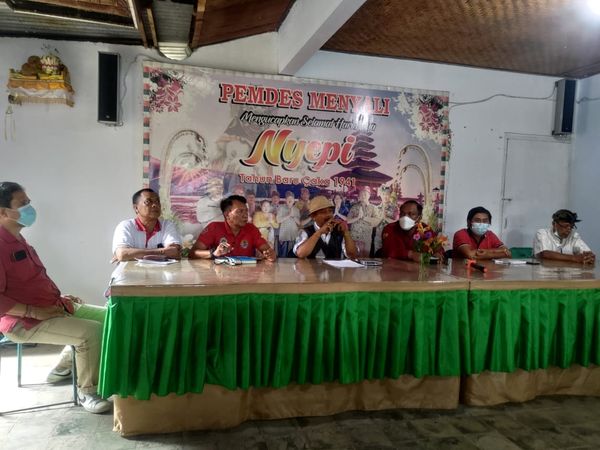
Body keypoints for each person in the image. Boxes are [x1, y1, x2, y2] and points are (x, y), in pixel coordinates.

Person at [0, 182, 111, 414]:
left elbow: (29, 281)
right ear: (3, 212)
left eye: (29, 202)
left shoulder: (19, 239)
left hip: (53, 306)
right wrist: (34, 311)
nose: (30, 207)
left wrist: (57, 297)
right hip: (24, 321)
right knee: (92, 332)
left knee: (112, 317)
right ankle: (88, 391)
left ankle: (64, 365)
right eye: (22, 203)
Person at [189, 195, 276, 261]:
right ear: (227, 214)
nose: (245, 215)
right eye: (240, 211)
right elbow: (193, 253)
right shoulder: (214, 227)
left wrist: (270, 254)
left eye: (246, 211)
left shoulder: (251, 229)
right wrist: (214, 253)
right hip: (219, 276)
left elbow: (267, 250)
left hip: (247, 276)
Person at [112, 188, 182, 262]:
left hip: (159, 269)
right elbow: (122, 254)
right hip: (130, 270)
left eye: (157, 201)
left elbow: (175, 253)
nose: (155, 205)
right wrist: (162, 251)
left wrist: (133, 254)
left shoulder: (167, 225)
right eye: (148, 202)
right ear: (136, 208)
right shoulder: (126, 226)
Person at [293, 196, 358, 259]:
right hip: (309, 267)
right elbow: (300, 254)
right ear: (313, 216)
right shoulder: (306, 231)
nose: (328, 215)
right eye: (323, 212)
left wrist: (346, 232)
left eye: (330, 211)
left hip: (334, 267)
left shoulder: (339, 230)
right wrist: (319, 232)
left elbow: (352, 255)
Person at [347, 186, 382, 256]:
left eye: (365, 194)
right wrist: (357, 218)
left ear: (369, 195)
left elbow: (376, 222)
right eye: (361, 194)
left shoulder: (373, 208)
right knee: (352, 257)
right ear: (359, 196)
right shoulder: (354, 207)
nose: (363, 196)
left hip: (366, 238)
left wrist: (363, 217)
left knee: (364, 258)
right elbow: (347, 220)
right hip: (354, 237)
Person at [276, 191, 301, 257]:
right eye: (288, 198)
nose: (290, 200)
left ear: (294, 200)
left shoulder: (296, 209)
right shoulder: (281, 208)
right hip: (284, 235)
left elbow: (299, 223)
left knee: (292, 255)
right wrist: (288, 215)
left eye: (291, 198)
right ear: (285, 200)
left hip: (293, 235)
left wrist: (293, 216)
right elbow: (278, 220)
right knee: (283, 255)